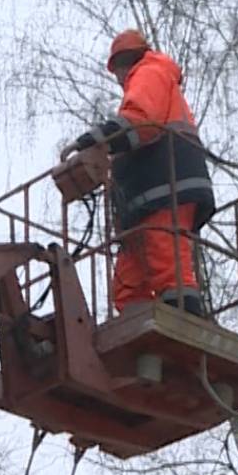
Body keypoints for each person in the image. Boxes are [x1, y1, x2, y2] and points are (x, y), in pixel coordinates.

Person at [61, 29, 216, 318]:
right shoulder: (151, 78)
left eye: (117, 71)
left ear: (124, 63)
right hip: (145, 199)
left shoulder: (149, 72)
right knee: (128, 286)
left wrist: (91, 140)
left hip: (166, 188)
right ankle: (146, 339)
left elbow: (140, 122)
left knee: (169, 266)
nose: (118, 80)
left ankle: (187, 330)